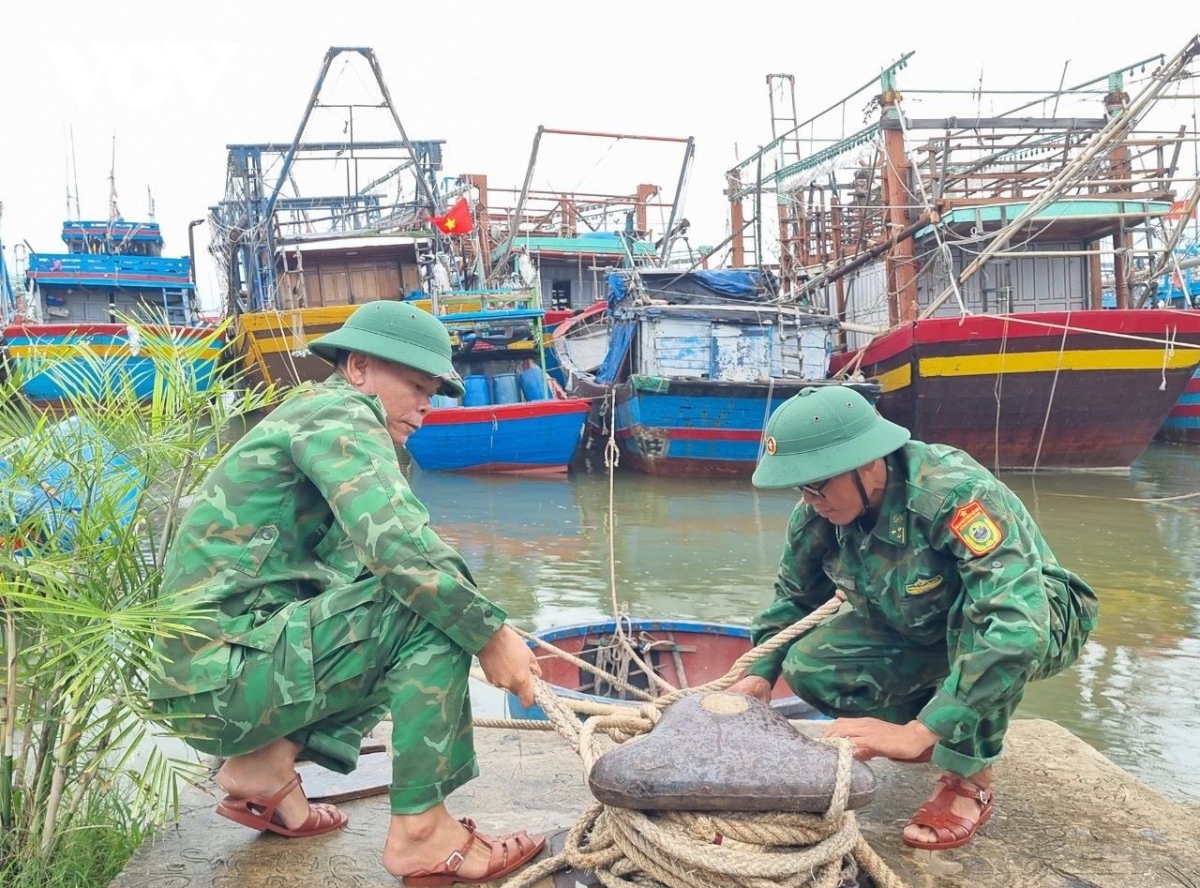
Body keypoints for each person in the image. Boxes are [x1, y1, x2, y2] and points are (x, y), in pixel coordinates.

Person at [148, 300, 547, 885]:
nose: (426, 406)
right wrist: (491, 635)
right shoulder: (340, 413)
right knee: (428, 607)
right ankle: (423, 836)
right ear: (358, 367)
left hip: (209, 679)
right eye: (416, 386)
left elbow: (365, 564)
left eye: (433, 391)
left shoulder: (313, 416)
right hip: (221, 676)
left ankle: (264, 768)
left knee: (401, 594)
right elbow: (403, 552)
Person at [728, 385, 1098, 851]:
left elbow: (1014, 630)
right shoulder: (821, 513)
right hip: (914, 619)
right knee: (809, 664)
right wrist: (758, 674)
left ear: (867, 462)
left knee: (978, 622)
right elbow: (794, 600)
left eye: (817, 484)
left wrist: (918, 729)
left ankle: (968, 778)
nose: (810, 499)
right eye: (801, 487)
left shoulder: (957, 496)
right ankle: (938, 730)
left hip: (1040, 617)